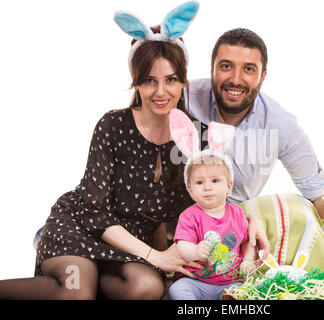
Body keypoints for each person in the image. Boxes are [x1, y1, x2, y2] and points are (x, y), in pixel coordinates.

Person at [0, 3, 207, 300]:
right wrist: (156, 255)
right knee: (75, 293)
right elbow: (95, 212)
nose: (161, 92)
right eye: (150, 80)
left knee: (147, 287)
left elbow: (176, 213)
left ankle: (90, 279)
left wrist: (170, 260)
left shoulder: (193, 136)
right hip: (80, 227)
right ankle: (75, 279)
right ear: (135, 81)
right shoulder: (113, 125)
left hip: (131, 247)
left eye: (171, 79)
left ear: (183, 80)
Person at [185, 28, 324, 248]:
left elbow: (317, 191)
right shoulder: (183, 98)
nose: (235, 79)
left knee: (296, 210)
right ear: (212, 69)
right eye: (226, 66)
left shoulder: (280, 124)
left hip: (234, 230)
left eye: (248, 69)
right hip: (174, 224)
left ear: (263, 77)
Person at [166, 109, 257, 300]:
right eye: (200, 183)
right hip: (195, 281)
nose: (207, 187)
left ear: (229, 186)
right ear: (190, 190)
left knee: (245, 293)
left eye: (215, 181)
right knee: (177, 290)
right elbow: (182, 245)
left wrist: (248, 260)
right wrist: (195, 251)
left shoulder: (237, 214)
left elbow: (248, 240)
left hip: (231, 282)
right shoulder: (190, 215)